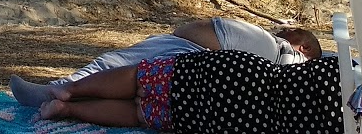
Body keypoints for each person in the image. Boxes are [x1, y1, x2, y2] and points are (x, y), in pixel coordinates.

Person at [28, 41, 343, 131]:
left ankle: (69, 91)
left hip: (242, 75)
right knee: (141, 114)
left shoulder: (349, 72)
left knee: (143, 78)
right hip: (244, 121)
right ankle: (65, 109)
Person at [9, 18, 322, 106]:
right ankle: (64, 97)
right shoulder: (285, 60)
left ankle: (59, 91)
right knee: (133, 87)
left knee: (124, 69)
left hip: (194, 56)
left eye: (290, 30)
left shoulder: (287, 53)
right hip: (200, 60)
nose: (281, 29)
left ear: (305, 45)